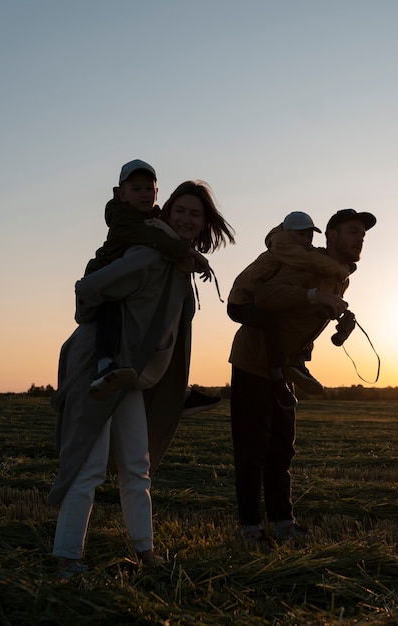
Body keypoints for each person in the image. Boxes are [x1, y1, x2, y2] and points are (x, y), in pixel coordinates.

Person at [49, 179, 235, 578]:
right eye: (179, 211)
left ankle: (145, 553)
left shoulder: (177, 264)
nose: (186, 219)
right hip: (100, 367)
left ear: (204, 224)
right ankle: (67, 557)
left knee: (137, 465)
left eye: (194, 214)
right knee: (89, 463)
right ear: (166, 213)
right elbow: (90, 288)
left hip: (130, 376)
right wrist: (100, 329)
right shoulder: (150, 254)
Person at [228, 208, 376, 544]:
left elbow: (303, 317)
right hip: (254, 361)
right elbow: (266, 297)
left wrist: (338, 314)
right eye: (353, 232)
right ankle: (250, 527)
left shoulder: (340, 275)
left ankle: (283, 523)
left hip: (285, 366)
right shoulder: (306, 262)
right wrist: (317, 296)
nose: (360, 239)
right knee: (253, 448)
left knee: (282, 449)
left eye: (363, 235)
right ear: (332, 236)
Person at [83, 159, 211, 399]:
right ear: (121, 194)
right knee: (110, 313)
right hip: (104, 271)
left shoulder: (153, 219)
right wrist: (189, 252)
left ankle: (174, 393)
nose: (144, 194)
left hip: (125, 281)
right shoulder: (123, 217)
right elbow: (150, 236)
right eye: (136, 189)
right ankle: (104, 365)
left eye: (149, 189)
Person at [227, 211, 350, 407]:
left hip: (253, 302)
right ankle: (277, 376)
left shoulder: (299, 252)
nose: (306, 240)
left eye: (309, 236)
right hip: (240, 302)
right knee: (271, 321)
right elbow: (311, 261)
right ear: (287, 232)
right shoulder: (285, 247)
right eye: (300, 234)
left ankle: (297, 363)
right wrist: (337, 269)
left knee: (303, 316)